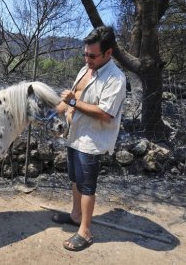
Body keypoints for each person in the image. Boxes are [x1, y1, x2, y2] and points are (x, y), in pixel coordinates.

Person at [53, 26, 126, 251]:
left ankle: (85, 231)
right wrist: (58, 108)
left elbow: (105, 113)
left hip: (92, 140)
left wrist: (74, 103)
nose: (87, 58)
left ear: (108, 53)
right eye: (85, 53)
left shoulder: (115, 78)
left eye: (92, 55)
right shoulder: (86, 69)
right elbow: (73, 97)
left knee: (87, 187)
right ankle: (76, 216)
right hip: (75, 135)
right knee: (75, 180)